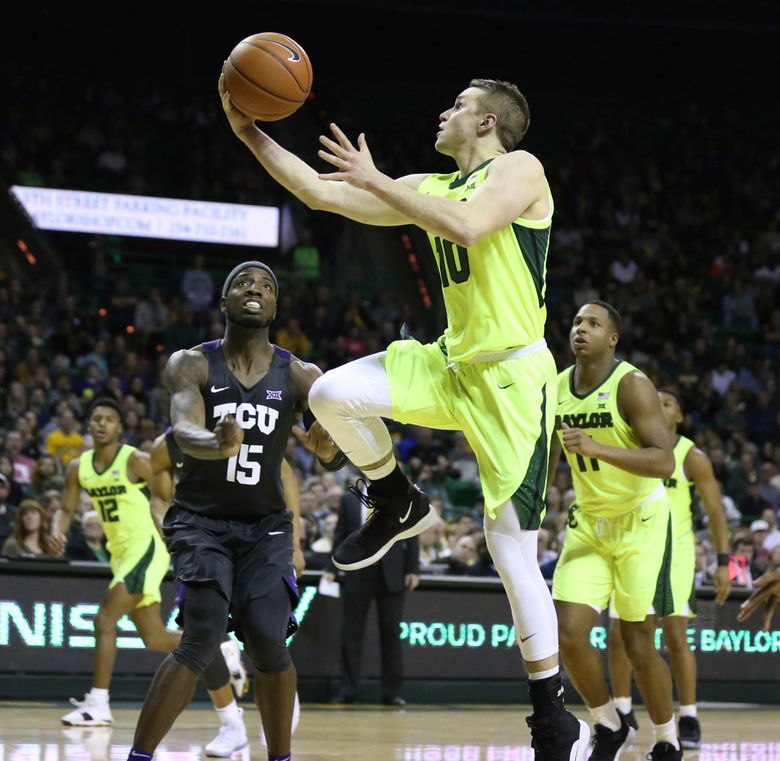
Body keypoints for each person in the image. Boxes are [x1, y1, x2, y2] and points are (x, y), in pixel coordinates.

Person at [220, 74, 589, 760]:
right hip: (452, 362)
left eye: (458, 104)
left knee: (512, 550)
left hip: (515, 379)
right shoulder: (430, 186)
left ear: (487, 123)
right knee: (331, 393)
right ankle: (395, 497)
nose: (444, 110)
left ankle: (551, 716)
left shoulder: (521, 167)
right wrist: (251, 132)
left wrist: (381, 180)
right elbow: (318, 192)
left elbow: (471, 225)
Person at [125, 262, 343, 761]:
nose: (254, 289)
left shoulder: (301, 374)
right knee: (201, 633)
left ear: (275, 306)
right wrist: (214, 441)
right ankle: (139, 756)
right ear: (223, 303)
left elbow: (336, 447)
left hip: (265, 527)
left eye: (266, 286)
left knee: (268, 637)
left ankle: (280, 757)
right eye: (242, 283)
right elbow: (182, 430)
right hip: (201, 522)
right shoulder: (192, 363)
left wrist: (332, 452)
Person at [549, 301, 681, 761]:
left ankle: (667, 738)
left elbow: (663, 460)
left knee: (638, 644)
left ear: (612, 339)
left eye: (593, 324)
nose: (580, 329)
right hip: (588, 522)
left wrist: (597, 448)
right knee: (566, 631)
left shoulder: (633, 386)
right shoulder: (556, 386)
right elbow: (547, 456)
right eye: (576, 322)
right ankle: (609, 722)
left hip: (640, 524)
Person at [147, 424, 303, 756]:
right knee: (200, 635)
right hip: (202, 530)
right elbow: (158, 492)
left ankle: (272, 670)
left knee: (263, 634)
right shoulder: (179, 436)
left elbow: (285, 474)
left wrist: (297, 543)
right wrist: (172, 535)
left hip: (260, 533)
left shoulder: (258, 422)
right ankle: (231, 722)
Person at [606, 388, 732, 749]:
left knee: (676, 636)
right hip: (633, 543)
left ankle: (689, 716)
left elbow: (716, 512)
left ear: (679, 416)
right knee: (619, 634)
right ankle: (623, 712)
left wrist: (724, 563)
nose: (659, 406)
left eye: (668, 403)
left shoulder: (690, 455)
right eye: (654, 400)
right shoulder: (630, 443)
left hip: (675, 550)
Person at [50, 397, 181, 727]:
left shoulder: (134, 459)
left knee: (104, 619)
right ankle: (217, 648)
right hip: (120, 555)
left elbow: (167, 493)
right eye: (96, 419)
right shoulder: (77, 467)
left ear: (119, 426)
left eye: (109, 419)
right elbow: (66, 509)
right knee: (155, 639)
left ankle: (98, 704)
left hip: (147, 548)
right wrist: (57, 531)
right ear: (89, 425)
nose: (102, 424)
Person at [325, 482, 419, 706]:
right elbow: (341, 534)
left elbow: (412, 531)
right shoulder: (349, 499)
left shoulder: (401, 492)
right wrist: (331, 566)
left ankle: (392, 692)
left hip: (391, 570)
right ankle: (348, 689)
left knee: (391, 635)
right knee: (351, 634)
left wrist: (413, 567)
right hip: (358, 570)